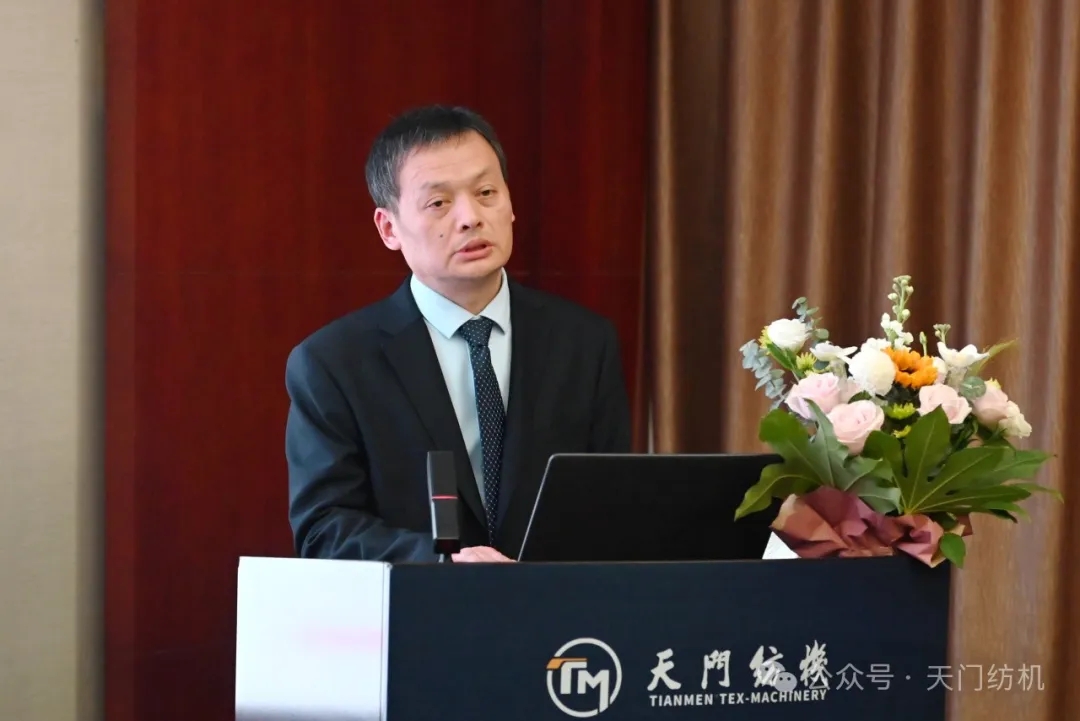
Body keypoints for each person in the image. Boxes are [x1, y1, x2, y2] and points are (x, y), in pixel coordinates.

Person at [284, 105, 631, 563]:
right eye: (439, 203)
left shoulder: (584, 344)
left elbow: (614, 504)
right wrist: (443, 564)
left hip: (557, 605)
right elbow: (324, 529)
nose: (470, 217)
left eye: (486, 192)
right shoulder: (334, 363)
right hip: (419, 603)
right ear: (389, 228)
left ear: (510, 203)